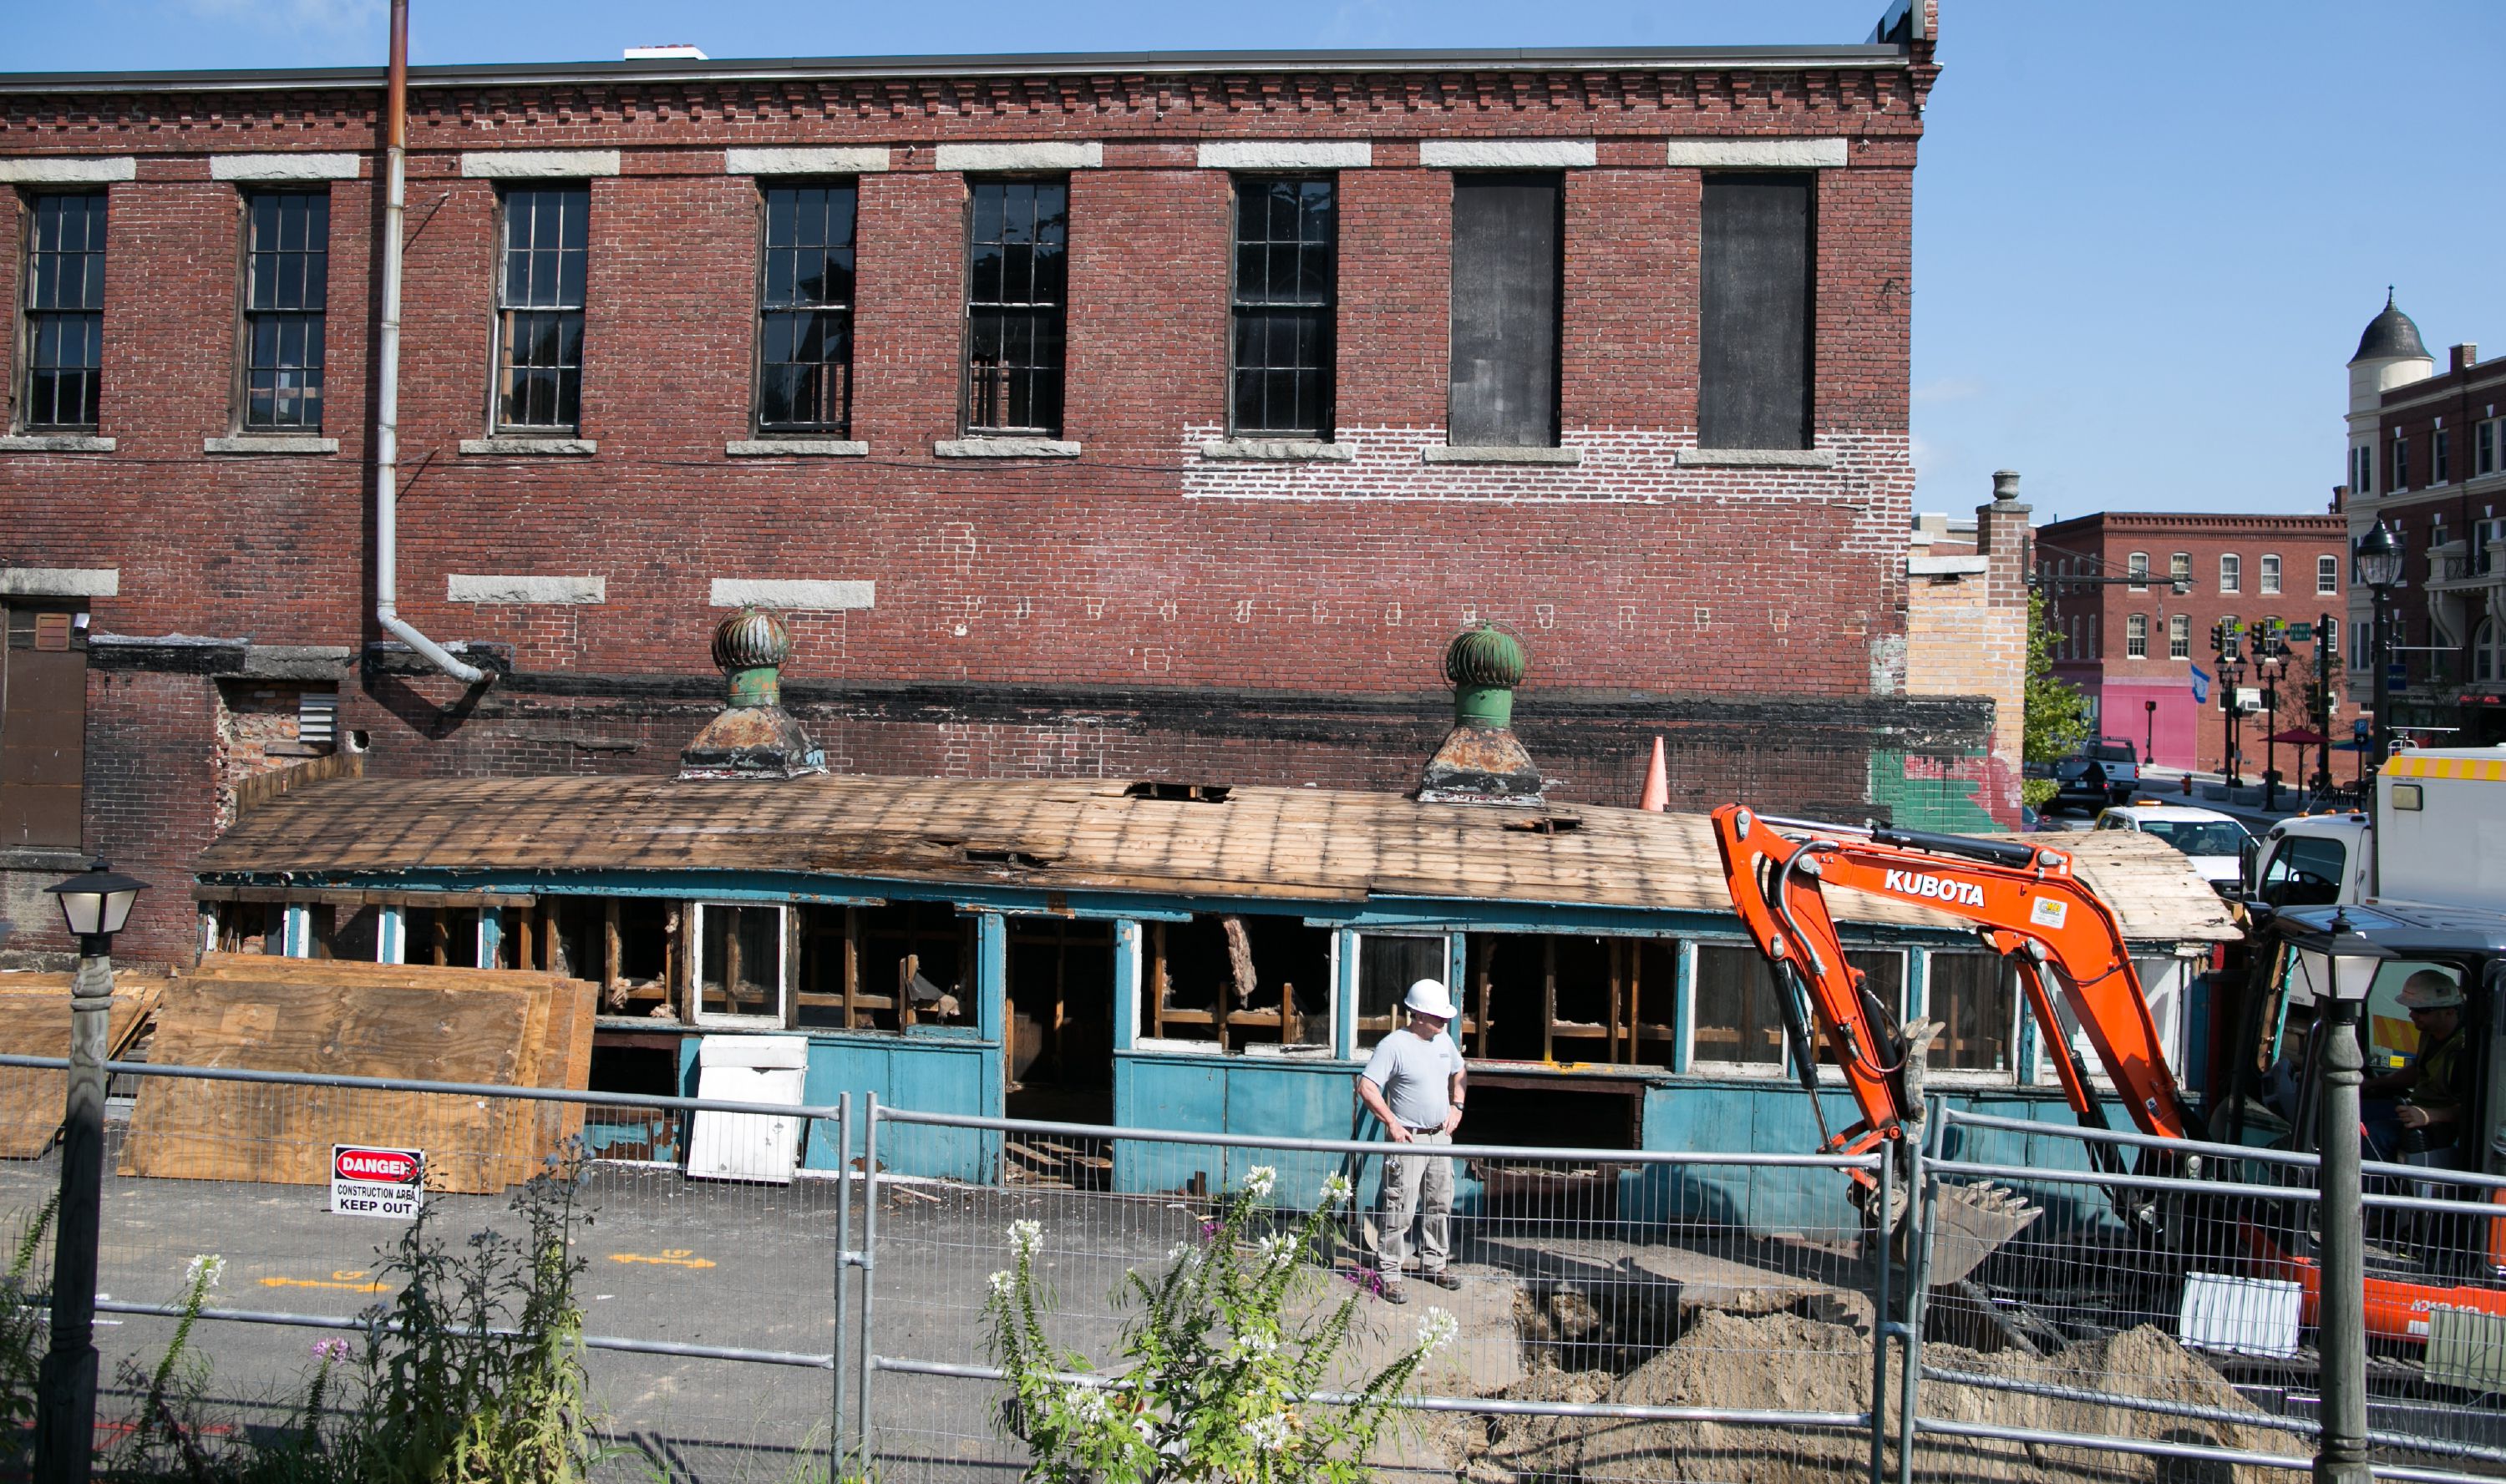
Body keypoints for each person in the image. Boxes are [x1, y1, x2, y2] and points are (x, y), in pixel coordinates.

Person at [1357, 978, 1466, 1304]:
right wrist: (1391, 1122)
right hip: (1409, 1139)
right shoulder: (1393, 1046)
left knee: (1440, 1202)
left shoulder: (1444, 1041)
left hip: (1439, 1137)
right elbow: (1367, 1086)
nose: (1444, 1022)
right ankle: (1390, 1272)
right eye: (1438, 1017)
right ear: (1418, 1015)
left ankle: (1435, 1262)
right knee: (1399, 1206)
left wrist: (1457, 1106)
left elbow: (1460, 1073)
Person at [2363, 971, 2471, 1167]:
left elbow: (2473, 1108)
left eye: (2422, 1010)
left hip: (2442, 1125)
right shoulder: (2430, 1032)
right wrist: (2371, 1083)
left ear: (2449, 1011)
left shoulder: (2465, 1051)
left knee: (2376, 1134)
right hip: (2416, 1107)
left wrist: (2428, 1116)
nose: (2412, 1015)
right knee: (2351, 1112)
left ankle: (2372, 1194)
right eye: (2412, 1008)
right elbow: (2418, 1071)